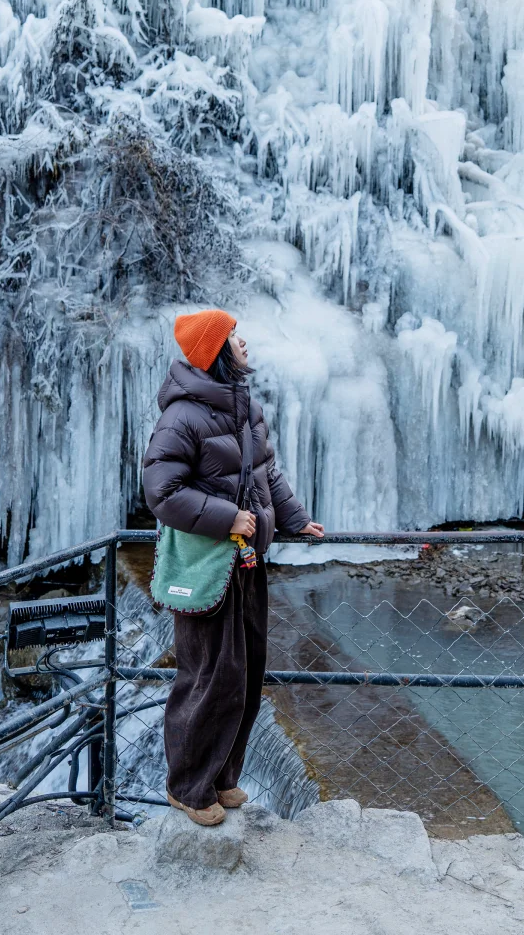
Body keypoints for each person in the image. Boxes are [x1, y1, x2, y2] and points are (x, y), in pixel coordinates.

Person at [142, 308, 324, 826]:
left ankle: (221, 778)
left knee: (244, 676)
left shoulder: (247, 408)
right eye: (234, 337)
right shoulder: (182, 416)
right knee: (206, 677)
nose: (245, 344)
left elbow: (267, 473)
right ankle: (186, 787)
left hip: (245, 564)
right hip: (207, 565)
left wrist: (293, 519)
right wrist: (230, 519)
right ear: (218, 352)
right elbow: (161, 491)